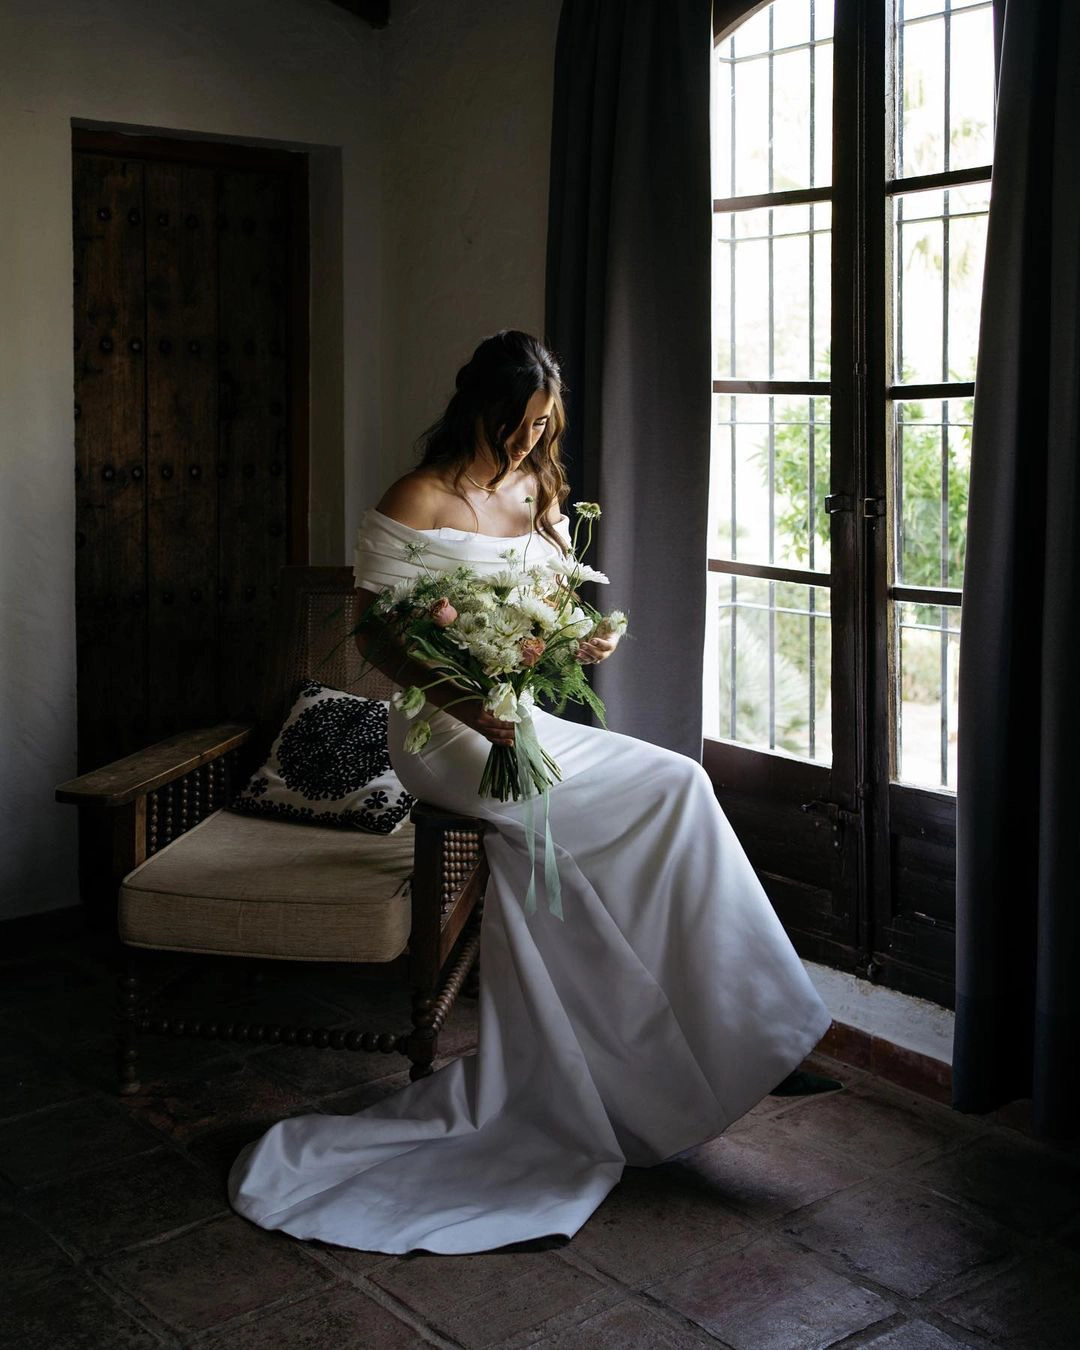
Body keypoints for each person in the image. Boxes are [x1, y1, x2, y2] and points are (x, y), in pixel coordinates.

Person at [227, 329, 834, 1255]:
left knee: (679, 785)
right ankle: (667, 1054)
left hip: (523, 722)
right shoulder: (417, 498)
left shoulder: (539, 492)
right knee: (593, 828)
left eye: (545, 424)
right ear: (481, 408)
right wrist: (473, 704)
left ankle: (752, 1034)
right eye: (520, 423)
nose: (531, 441)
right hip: (440, 733)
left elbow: (554, 612)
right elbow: (381, 643)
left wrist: (580, 641)